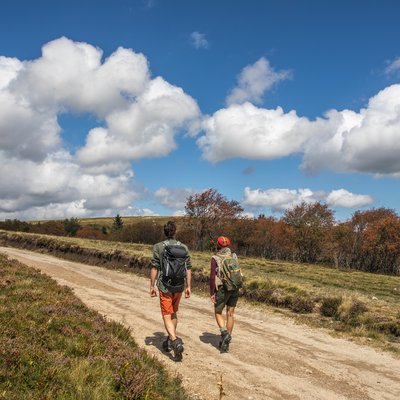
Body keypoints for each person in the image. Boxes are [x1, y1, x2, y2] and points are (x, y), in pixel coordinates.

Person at [149, 220, 192, 361]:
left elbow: (155, 267)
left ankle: (174, 341)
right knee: (173, 313)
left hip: (165, 286)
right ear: (175, 232)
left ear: (164, 232)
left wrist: (152, 285)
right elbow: (188, 268)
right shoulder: (184, 247)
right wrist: (188, 286)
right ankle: (169, 340)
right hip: (179, 285)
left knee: (166, 314)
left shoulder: (158, 247)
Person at [210, 236, 240, 353]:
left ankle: (224, 333)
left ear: (218, 245)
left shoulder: (215, 258)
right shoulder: (234, 256)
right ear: (228, 245)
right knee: (230, 313)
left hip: (223, 287)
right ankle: (226, 342)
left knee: (218, 312)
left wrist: (212, 292)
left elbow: (213, 277)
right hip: (235, 287)